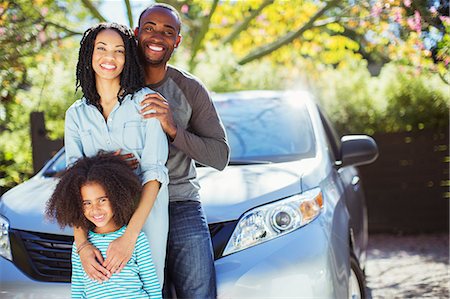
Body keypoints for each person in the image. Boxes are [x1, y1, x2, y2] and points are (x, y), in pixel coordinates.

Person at [64, 22, 169, 287]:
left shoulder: (147, 102)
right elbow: (73, 185)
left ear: (127, 58)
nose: (109, 57)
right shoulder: (76, 115)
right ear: (89, 54)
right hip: (97, 224)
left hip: (145, 219)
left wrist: (130, 236)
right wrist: (82, 246)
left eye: (119, 51)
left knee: (145, 289)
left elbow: (154, 173)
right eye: (101, 48)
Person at [135, 3, 230, 298]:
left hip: (180, 203)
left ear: (176, 41)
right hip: (128, 209)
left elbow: (219, 155)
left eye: (167, 31)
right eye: (149, 28)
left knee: (199, 293)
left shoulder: (189, 88)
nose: (157, 36)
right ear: (137, 33)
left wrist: (173, 129)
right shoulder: (114, 84)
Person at [45, 153, 162, 298]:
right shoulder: (80, 247)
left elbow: (152, 288)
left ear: (117, 197)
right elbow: (78, 290)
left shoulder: (137, 240)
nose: (95, 209)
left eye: (102, 200)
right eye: (87, 203)